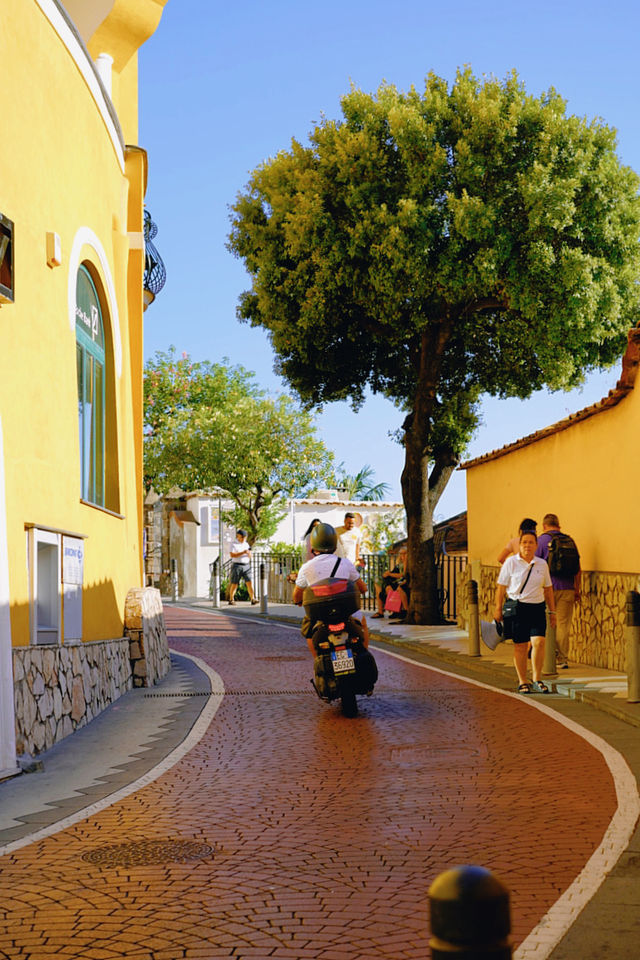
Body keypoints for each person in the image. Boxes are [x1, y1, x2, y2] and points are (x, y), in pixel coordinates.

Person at [293, 522, 370, 657]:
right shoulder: (345, 563)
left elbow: (296, 596)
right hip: (347, 611)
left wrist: (299, 601)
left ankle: (317, 662)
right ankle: (364, 654)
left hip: (320, 614)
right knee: (362, 623)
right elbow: (362, 588)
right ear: (335, 544)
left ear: (313, 545)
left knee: (309, 632)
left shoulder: (307, 567)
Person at [494, 530, 557, 694]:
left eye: (531, 542)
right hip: (518, 607)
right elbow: (501, 587)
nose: (527, 545)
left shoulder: (542, 564)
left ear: (536, 546)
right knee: (521, 646)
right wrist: (498, 608)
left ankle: (537, 678)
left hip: (537, 607)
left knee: (539, 643)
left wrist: (553, 612)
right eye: (524, 542)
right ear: (519, 545)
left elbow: (548, 589)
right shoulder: (510, 563)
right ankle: (523, 680)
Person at [535, 513, 581, 669]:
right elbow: (578, 569)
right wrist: (577, 589)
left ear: (544, 525)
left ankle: (549, 657)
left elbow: (533, 566)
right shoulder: (569, 541)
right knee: (563, 624)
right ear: (558, 525)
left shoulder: (541, 541)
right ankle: (562, 659)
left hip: (547, 589)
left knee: (547, 623)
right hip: (567, 588)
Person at [228, 529, 258, 605]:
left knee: (249, 582)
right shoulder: (233, 544)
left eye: (245, 537)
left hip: (246, 565)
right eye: (242, 537)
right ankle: (231, 599)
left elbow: (250, 555)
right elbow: (232, 555)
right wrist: (243, 552)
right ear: (238, 536)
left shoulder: (246, 544)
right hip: (237, 565)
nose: (244, 539)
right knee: (235, 583)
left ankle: (253, 599)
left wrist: (249, 554)